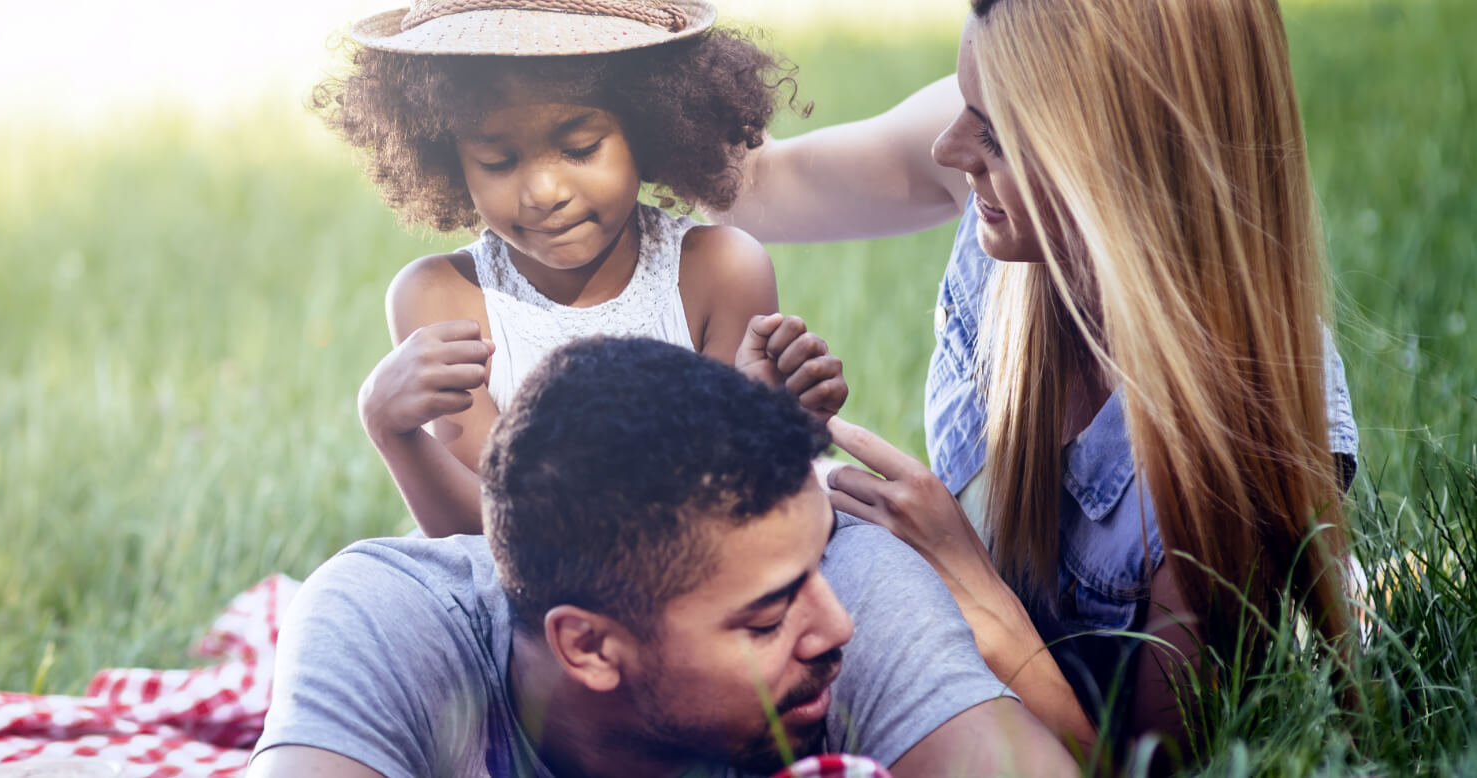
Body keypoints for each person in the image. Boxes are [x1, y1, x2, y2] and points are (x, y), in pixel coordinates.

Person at [710, 0, 1362, 758]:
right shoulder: (1004, 181)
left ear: (1125, 166)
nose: (951, 147)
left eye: (995, 134)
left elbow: (1144, 769)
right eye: (965, 108)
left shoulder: (1230, 456)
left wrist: (974, 593)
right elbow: (754, 185)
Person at [248, 336, 1073, 778]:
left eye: (816, 569)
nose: (836, 625)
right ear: (590, 646)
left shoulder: (849, 589)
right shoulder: (392, 624)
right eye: (767, 618)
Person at [315, 0, 848, 538]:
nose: (544, 194)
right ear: (449, 158)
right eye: (498, 162)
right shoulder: (441, 297)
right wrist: (389, 430)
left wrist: (781, 428)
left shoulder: (719, 272)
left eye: (580, 148)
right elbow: (482, 536)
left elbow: (729, 513)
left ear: (651, 128)